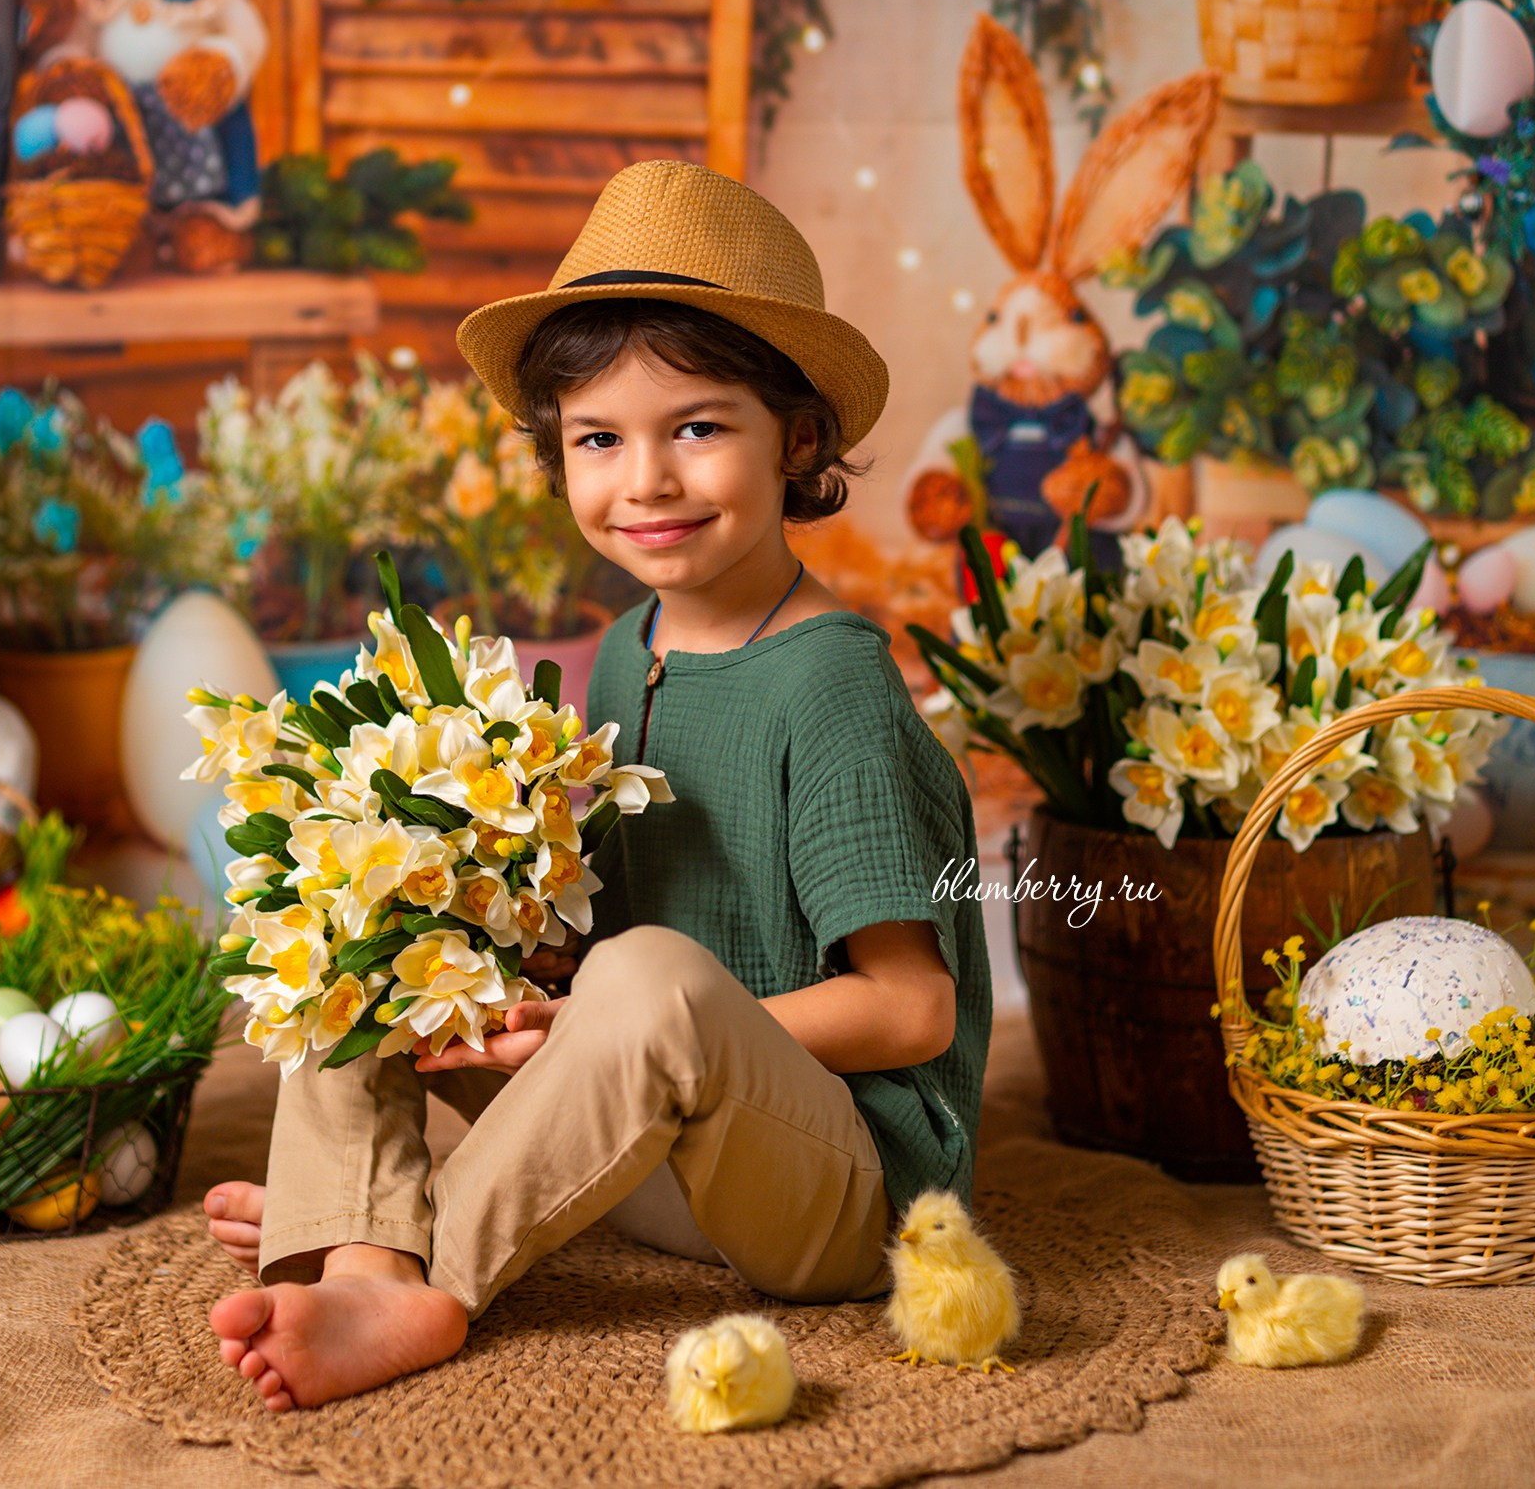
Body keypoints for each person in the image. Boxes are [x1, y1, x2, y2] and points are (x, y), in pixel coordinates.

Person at [203, 159, 991, 1411]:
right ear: (556, 452)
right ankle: (357, 1237)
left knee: (646, 978)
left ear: (797, 440)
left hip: (829, 1197)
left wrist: (613, 1018)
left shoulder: (831, 682)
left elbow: (911, 1012)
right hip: (643, 1150)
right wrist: (498, 968)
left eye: (698, 428)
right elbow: (601, 959)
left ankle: (425, 1267)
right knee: (368, 934)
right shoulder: (630, 646)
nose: (647, 481)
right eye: (599, 439)